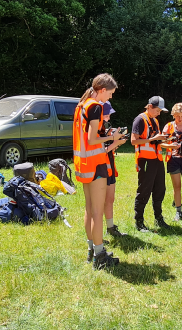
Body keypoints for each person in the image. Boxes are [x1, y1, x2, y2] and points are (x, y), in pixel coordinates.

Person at [73, 73, 123, 270]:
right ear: (102, 90)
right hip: (96, 164)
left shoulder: (81, 105)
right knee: (97, 211)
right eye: (110, 93)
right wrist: (113, 137)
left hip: (83, 163)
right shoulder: (95, 106)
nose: (110, 97)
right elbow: (93, 139)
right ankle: (100, 256)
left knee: (89, 208)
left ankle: (92, 250)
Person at [131, 96, 170, 232]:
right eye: (158, 110)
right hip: (146, 160)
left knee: (160, 189)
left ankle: (158, 218)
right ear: (150, 107)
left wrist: (166, 142)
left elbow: (154, 141)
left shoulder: (155, 120)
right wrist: (154, 138)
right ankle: (139, 221)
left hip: (157, 159)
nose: (159, 113)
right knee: (144, 189)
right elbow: (133, 141)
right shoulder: (140, 119)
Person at [102, 101, 127, 237]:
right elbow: (99, 151)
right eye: (107, 114)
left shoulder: (104, 127)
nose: (109, 117)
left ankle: (110, 227)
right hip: (100, 169)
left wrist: (116, 143)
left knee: (110, 199)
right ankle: (97, 235)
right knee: (99, 203)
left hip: (109, 166)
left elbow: (107, 149)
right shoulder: (95, 128)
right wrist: (116, 142)